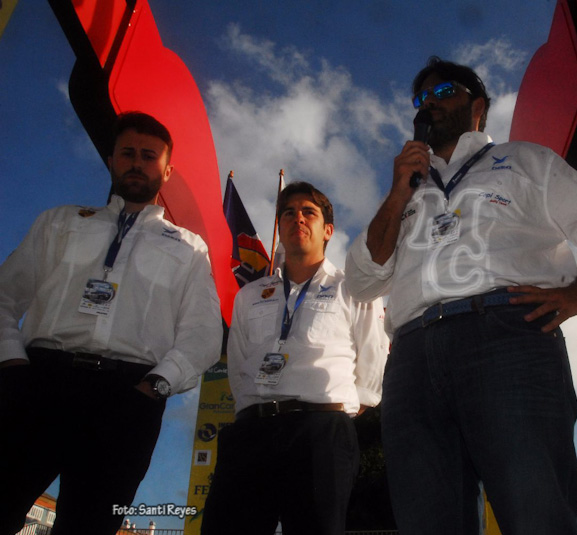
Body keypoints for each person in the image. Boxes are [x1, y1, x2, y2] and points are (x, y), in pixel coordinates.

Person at [345, 57, 577, 535]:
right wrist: (397, 194)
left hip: (508, 336)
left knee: (538, 512)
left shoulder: (525, 160)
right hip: (412, 358)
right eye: (421, 98)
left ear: (478, 106)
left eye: (443, 92)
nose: (430, 103)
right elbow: (361, 280)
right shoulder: (406, 189)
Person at [0, 111, 222, 535]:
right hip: (39, 383)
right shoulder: (59, 222)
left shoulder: (189, 248)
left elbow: (204, 333)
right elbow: (4, 297)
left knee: (90, 525)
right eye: (128, 153)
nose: (137, 162)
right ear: (111, 160)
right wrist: (12, 365)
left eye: (149, 156)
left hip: (129, 398)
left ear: (167, 171)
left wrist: (156, 387)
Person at [201, 182, 389, 535]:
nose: (297, 218)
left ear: (328, 230)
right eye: (288, 213)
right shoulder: (250, 295)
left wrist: (343, 411)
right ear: (280, 226)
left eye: (308, 212)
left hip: (320, 434)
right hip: (252, 433)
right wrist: (253, 410)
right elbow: (238, 363)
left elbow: (373, 356)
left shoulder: (354, 288)